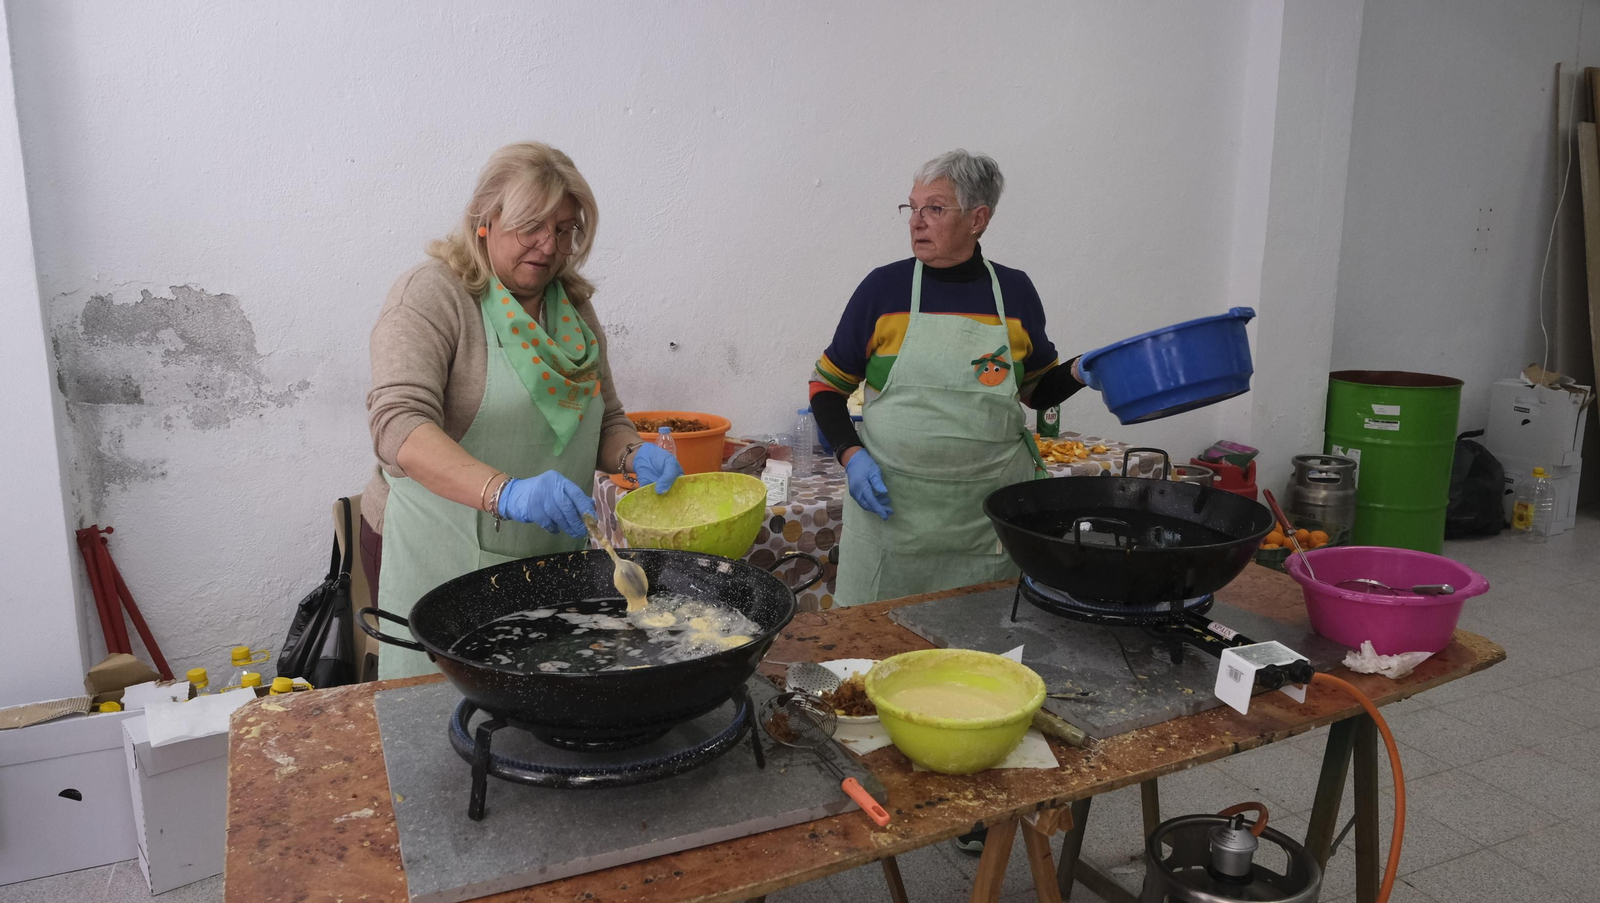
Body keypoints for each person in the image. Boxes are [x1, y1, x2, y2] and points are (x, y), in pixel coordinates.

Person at [362, 142, 683, 680]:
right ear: (484, 220)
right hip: (443, 555)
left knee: (539, 693)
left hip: (549, 553)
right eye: (531, 225)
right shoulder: (435, 294)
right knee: (442, 708)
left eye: (564, 230)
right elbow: (399, 425)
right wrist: (505, 493)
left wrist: (632, 454)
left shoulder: (572, 307)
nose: (547, 245)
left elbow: (605, 416)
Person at [810, 150, 1090, 609]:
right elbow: (826, 389)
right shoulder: (883, 290)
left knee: (979, 656)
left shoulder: (1015, 292)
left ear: (978, 218)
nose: (916, 222)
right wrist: (851, 454)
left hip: (983, 518)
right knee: (872, 655)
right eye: (912, 208)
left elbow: (1036, 391)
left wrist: (1079, 372)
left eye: (934, 209)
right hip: (893, 511)